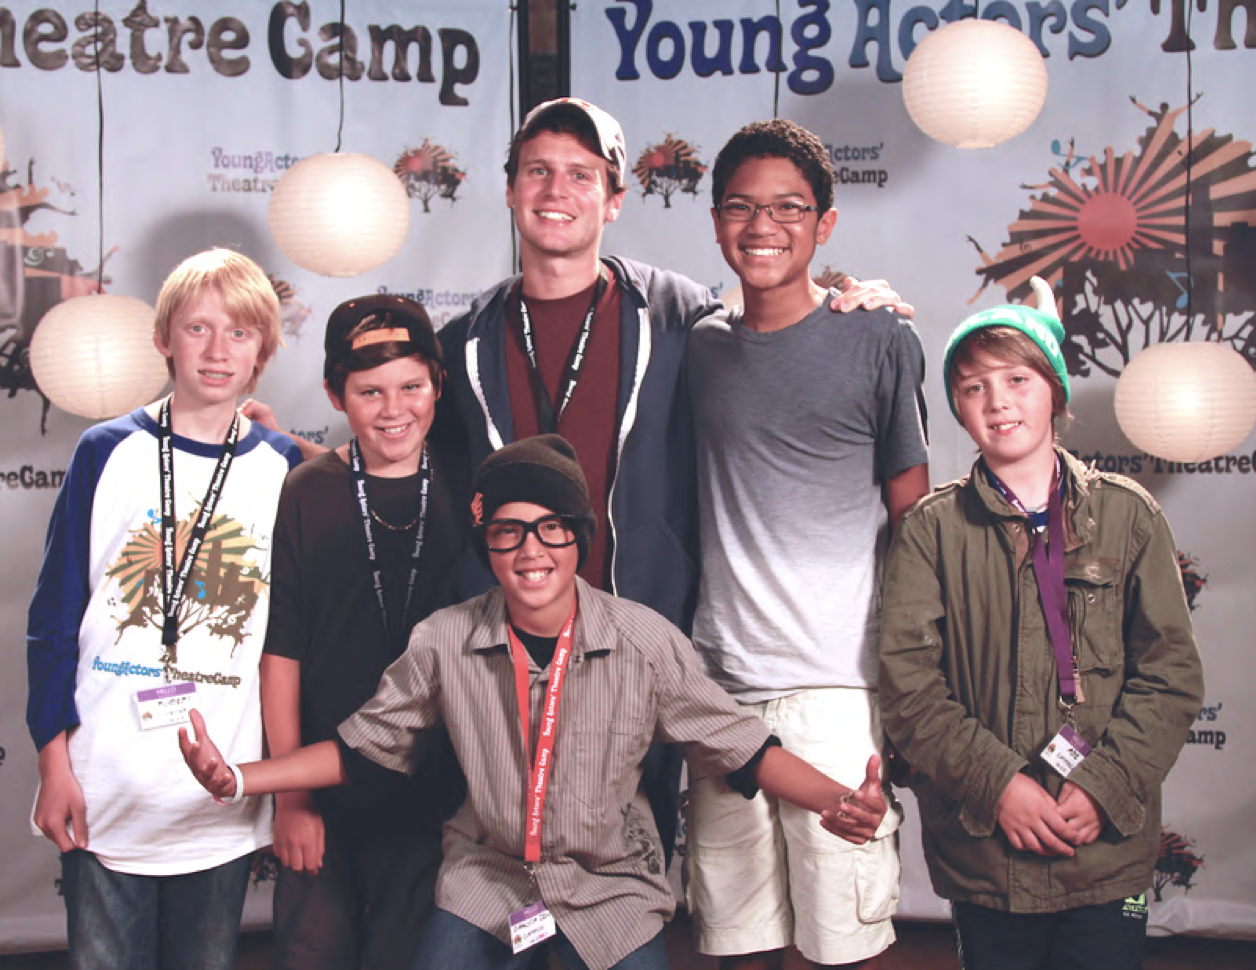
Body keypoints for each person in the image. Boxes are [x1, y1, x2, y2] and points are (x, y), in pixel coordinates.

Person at [179, 434, 889, 970]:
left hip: (609, 884)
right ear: (487, 544)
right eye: (508, 531)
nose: (531, 550)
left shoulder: (644, 641)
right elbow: (360, 748)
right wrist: (240, 778)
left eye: (552, 527)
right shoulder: (445, 639)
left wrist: (836, 800)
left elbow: (743, 747)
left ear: (580, 537)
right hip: (488, 877)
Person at [434, 98, 910, 860]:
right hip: (507, 657)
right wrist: (275, 440)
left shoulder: (678, 316)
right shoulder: (463, 341)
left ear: (615, 199)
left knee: (632, 873)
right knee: (503, 865)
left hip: (641, 650)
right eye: (538, 171)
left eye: (582, 175)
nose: (557, 191)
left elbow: (775, 328)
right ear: (511, 189)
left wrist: (853, 304)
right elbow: (398, 453)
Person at [877, 301, 1205, 970]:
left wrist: (1106, 784)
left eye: (1017, 379)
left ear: (1055, 390)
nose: (998, 401)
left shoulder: (1129, 516)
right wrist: (998, 784)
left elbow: (1170, 676)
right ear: (958, 407)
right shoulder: (930, 531)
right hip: (985, 854)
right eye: (974, 387)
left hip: (1106, 853)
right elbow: (909, 688)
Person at [683, 119, 930, 969]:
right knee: (737, 940)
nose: (763, 226)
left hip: (837, 688)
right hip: (722, 688)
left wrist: (909, 680)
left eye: (789, 208)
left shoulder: (880, 338)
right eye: (741, 207)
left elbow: (914, 521)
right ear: (716, 221)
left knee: (841, 943)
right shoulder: (698, 348)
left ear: (824, 224)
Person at [26, 248, 302, 970]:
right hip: (104, 784)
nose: (217, 351)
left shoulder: (285, 468)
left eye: (239, 333)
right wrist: (53, 764)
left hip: (217, 796)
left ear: (263, 352)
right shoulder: (105, 450)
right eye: (198, 328)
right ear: (164, 339)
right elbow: (53, 621)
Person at [260, 294, 467, 970]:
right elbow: (281, 654)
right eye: (369, 392)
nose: (393, 409)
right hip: (324, 789)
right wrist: (291, 800)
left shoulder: (469, 485)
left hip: (436, 797)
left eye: (412, 387)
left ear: (439, 383)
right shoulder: (307, 490)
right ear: (335, 395)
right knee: (312, 952)